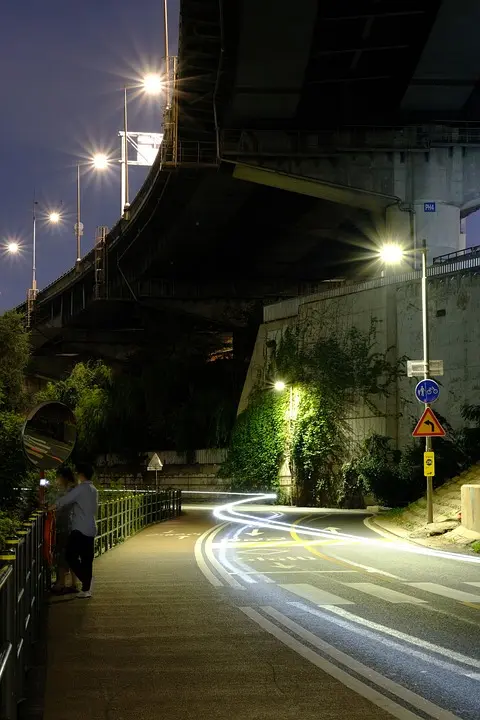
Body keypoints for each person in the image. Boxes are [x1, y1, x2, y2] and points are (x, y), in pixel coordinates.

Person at [50, 462, 98, 599]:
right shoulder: (94, 489)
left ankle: (86, 580)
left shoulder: (81, 488)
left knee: (70, 556)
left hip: (79, 528)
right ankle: (86, 589)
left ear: (81, 474)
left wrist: (50, 507)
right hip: (91, 527)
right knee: (87, 559)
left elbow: (65, 500)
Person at [51, 467, 79, 594]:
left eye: (59, 477)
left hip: (66, 526)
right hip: (74, 526)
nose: (58, 480)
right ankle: (74, 583)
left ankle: (61, 584)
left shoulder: (69, 491)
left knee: (62, 553)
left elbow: (63, 506)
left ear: (65, 477)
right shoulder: (75, 489)